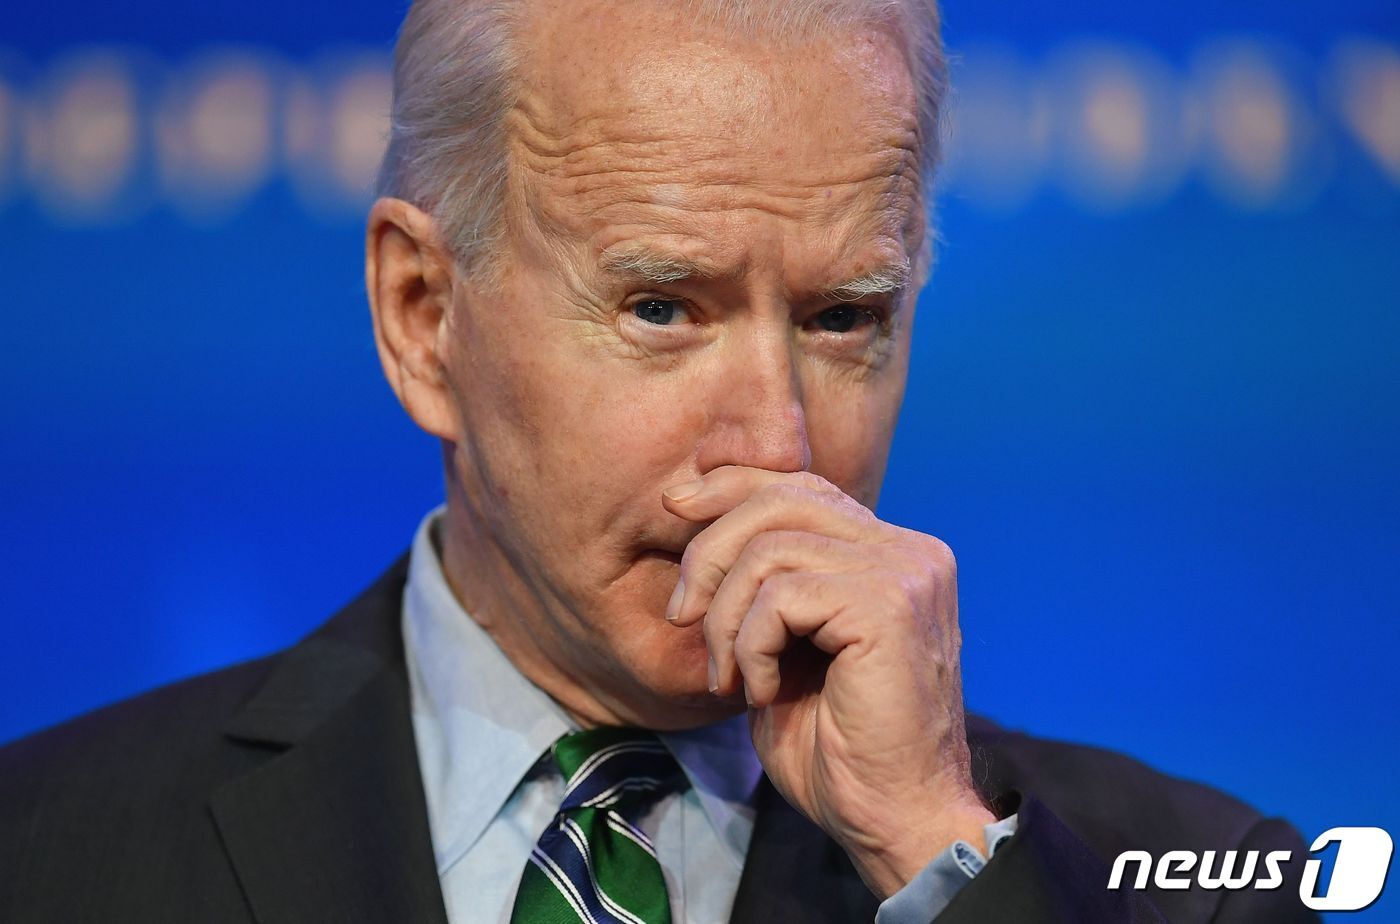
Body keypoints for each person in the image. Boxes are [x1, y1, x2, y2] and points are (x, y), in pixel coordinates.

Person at [0, 0, 1320, 921]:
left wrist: (943, 864)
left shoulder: (1189, 880)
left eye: (843, 317)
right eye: (662, 308)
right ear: (423, 317)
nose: (778, 443)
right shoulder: (50, 858)